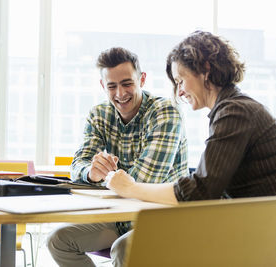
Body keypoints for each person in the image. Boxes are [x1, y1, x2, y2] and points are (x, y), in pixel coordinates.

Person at [106, 31, 276, 266]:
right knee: (129, 243)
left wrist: (131, 188)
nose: (180, 91)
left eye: (181, 80)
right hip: (259, 230)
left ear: (205, 69)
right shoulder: (233, 108)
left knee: (129, 246)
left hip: (274, 242)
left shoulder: (234, 112)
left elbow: (198, 191)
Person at [47, 47, 189, 267]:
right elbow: (77, 167)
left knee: (124, 249)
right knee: (57, 240)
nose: (120, 94)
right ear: (103, 86)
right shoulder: (99, 114)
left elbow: (145, 180)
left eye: (127, 84)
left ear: (142, 79)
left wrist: (107, 179)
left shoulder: (165, 111)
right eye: (112, 86)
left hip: (162, 219)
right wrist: (91, 174)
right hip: (118, 218)